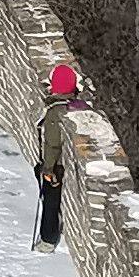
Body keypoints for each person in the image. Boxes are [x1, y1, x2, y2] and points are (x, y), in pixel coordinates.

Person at [33, 59, 86, 251]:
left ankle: (47, 240)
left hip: (56, 166)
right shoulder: (78, 106)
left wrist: (48, 169)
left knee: (50, 201)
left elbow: (52, 143)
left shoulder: (56, 112)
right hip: (65, 164)